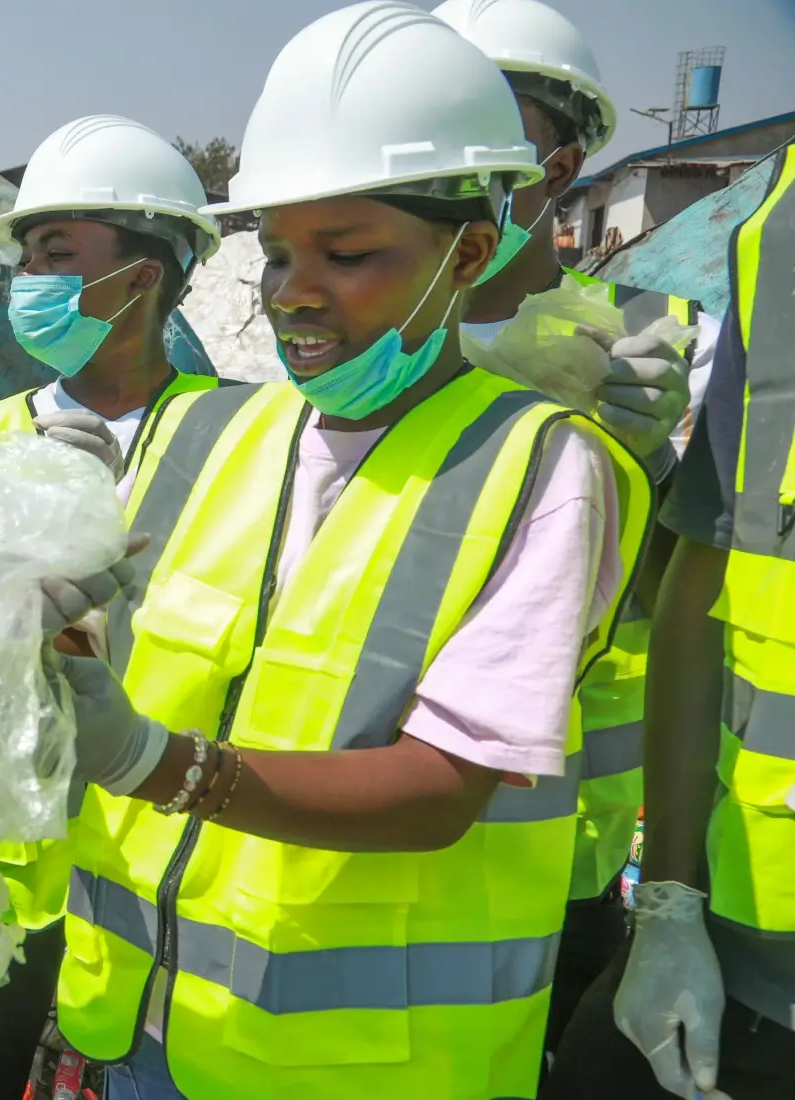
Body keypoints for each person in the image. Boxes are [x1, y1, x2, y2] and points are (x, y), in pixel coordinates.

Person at [45, 5, 652, 1097]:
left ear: (468, 249)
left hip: (362, 1066)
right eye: (277, 250)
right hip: (134, 1030)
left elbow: (441, 788)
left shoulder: (545, 469)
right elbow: (99, 672)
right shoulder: (199, 433)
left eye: (349, 251)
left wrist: (158, 764)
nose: (292, 289)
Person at [0, 115, 228, 1100]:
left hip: (153, 865)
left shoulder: (241, 437)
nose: (29, 283)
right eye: (29, 257)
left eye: (56, 255)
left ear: (148, 271)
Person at [431, 0, 699, 1060]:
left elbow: (691, 598)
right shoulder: (369, 329)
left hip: (565, 837)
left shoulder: (648, 336)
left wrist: (656, 468)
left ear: (562, 160)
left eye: (499, 135)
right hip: (371, 798)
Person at [542, 148, 795, 1100]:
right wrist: (675, 904)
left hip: (580, 861)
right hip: (744, 923)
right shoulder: (781, 228)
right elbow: (707, 564)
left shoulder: (648, 329)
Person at [0, 114, 225, 494]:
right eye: (26, 257)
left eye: (56, 254)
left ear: (143, 278)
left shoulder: (234, 420)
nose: (27, 275)